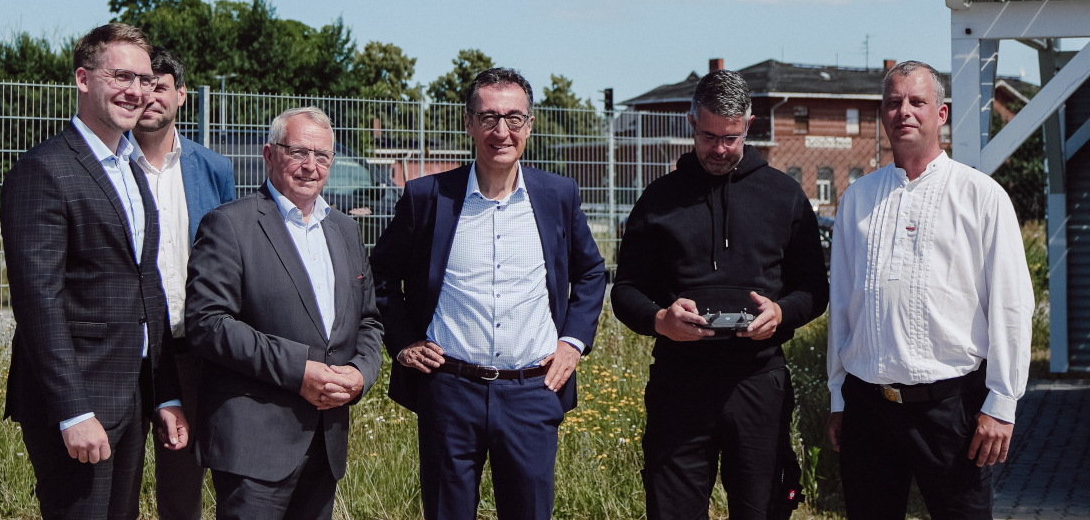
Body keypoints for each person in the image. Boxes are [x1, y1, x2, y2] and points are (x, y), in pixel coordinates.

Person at [370, 67, 606, 520]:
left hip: (532, 392)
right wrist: (401, 343)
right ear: (469, 123)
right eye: (489, 118)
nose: (502, 131)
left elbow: (592, 272)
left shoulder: (558, 195)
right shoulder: (427, 197)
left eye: (514, 118)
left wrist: (572, 343)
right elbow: (380, 274)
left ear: (530, 125)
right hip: (448, 391)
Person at [612, 69, 829, 520]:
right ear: (692, 122)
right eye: (709, 136)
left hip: (758, 380)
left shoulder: (784, 196)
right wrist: (661, 321)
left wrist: (782, 312)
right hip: (680, 382)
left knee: (762, 507)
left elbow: (814, 288)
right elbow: (626, 291)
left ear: (748, 124)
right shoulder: (657, 200)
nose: (720, 149)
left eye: (730, 137)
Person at [826, 60, 1034, 519]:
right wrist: (838, 395)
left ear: (940, 114)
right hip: (868, 406)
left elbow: (1011, 305)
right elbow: (842, 303)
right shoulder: (858, 199)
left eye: (917, 102)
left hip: (950, 411)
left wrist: (1001, 403)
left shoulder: (980, 196)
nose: (904, 112)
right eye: (893, 102)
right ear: (882, 114)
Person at [0, 23, 188, 519]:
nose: (136, 91)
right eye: (121, 76)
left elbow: (147, 285)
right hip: (77, 404)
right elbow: (38, 301)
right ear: (84, 79)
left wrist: (164, 391)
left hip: (130, 396)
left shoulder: (129, 166)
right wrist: (73, 410)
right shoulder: (43, 171)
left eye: (146, 79)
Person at [185, 106, 383, 520]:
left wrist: (362, 372)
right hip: (255, 446)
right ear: (269, 155)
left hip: (326, 439)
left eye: (323, 156)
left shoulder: (344, 230)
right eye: (298, 152)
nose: (311, 166)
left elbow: (367, 319)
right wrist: (300, 370)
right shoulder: (229, 225)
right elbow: (208, 324)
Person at [129, 46, 236, 520]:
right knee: (116, 478)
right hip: (124, 349)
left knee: (181, 480)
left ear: (182, 95)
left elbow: (231, 257)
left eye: (160, 85)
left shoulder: (213, 168)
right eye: (141, 83)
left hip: (188, 347)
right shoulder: (109, 163)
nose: (149, 95)